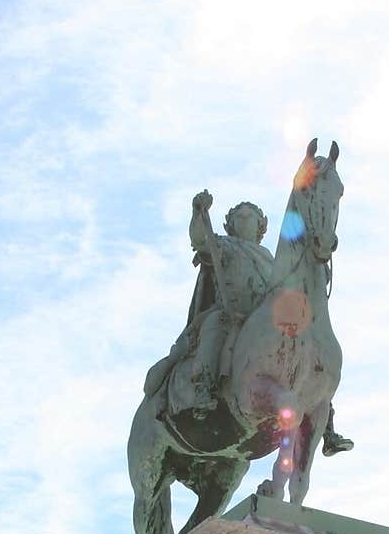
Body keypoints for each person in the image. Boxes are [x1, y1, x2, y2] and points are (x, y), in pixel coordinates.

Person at [143, 192, 353, 454]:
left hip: (263, 323)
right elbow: (199, 239)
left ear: (261, 227)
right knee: (215, 327)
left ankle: (326, 423)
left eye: (252, 217)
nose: (246, 221)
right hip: (231, 314)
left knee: (306, 351)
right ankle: (204, 388)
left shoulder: (271, 260)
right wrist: (199, 212)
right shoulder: (224, 245)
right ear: (230, 224)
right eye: (240, 217)